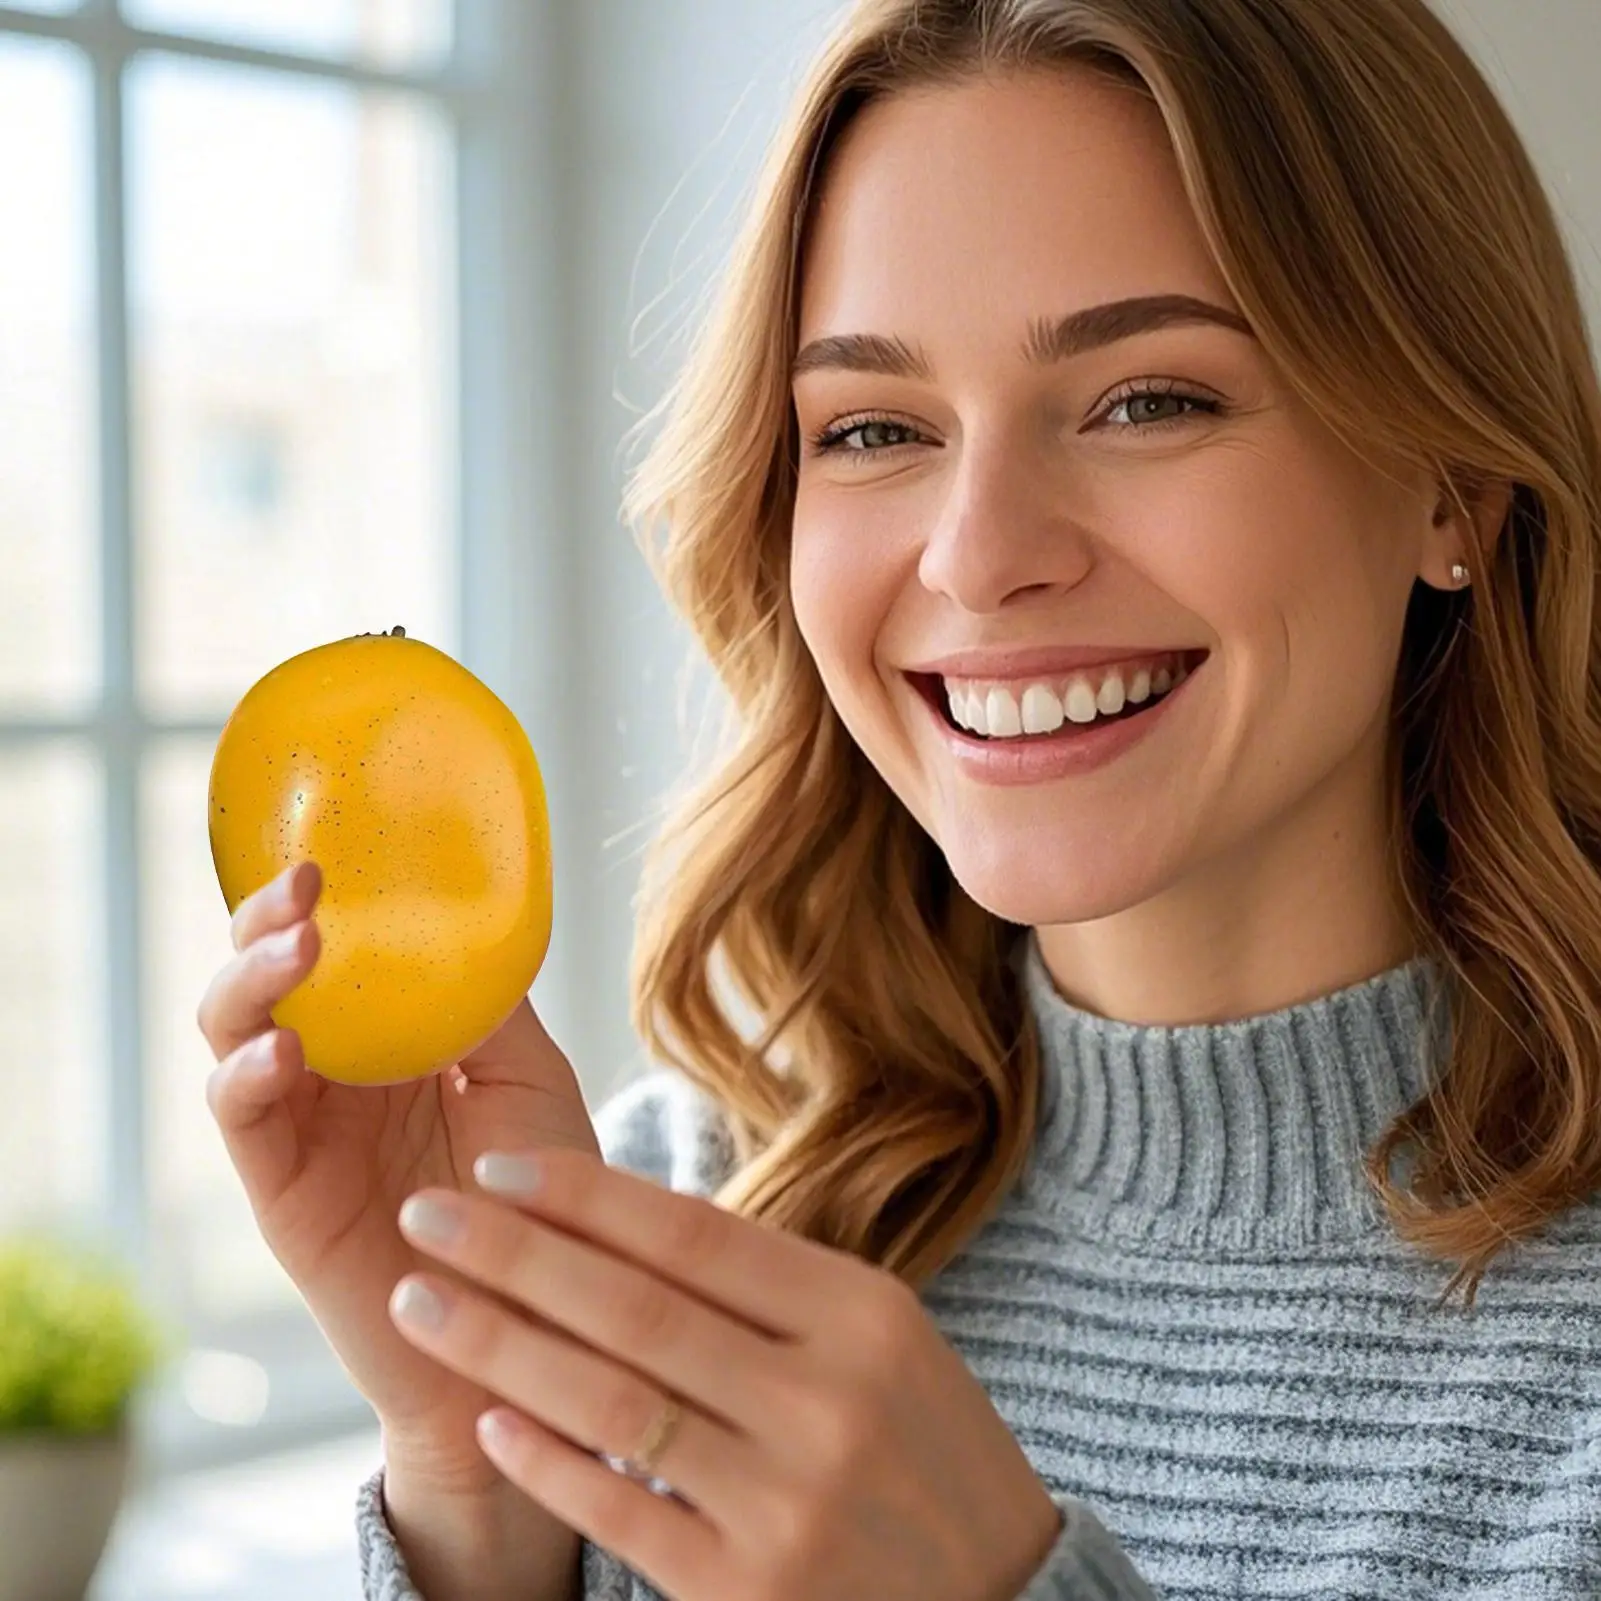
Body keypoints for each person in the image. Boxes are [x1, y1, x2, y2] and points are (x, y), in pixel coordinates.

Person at [196, 0, 1601, 1597]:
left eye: (1152, 398)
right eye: (873, 428)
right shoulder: (668, 1201)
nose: (979, 553)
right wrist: (486, 1489)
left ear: (1457, 486)